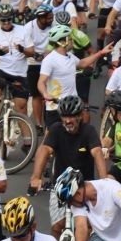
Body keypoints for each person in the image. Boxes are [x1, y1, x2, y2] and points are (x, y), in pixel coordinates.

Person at [28, 96, 108, 228]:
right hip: (61, 185)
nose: (67, 120)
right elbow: (44, 150)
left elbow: (97, 153)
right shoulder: (55, 129)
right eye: (64, 117)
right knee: (57, 226)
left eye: (71, 116)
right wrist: (36, 177)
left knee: (86, 226)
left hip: (84, 186)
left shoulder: (89, 131)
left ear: (80, 116)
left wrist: (104, 182)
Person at [0, 6, 30, 126]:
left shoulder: (23, 30)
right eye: (3, 20)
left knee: (21, 105)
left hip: (19, 72)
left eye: (9, 19)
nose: (7, 22)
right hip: (1, 71)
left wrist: (22, 49)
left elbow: (32, 51)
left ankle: (27, 140)